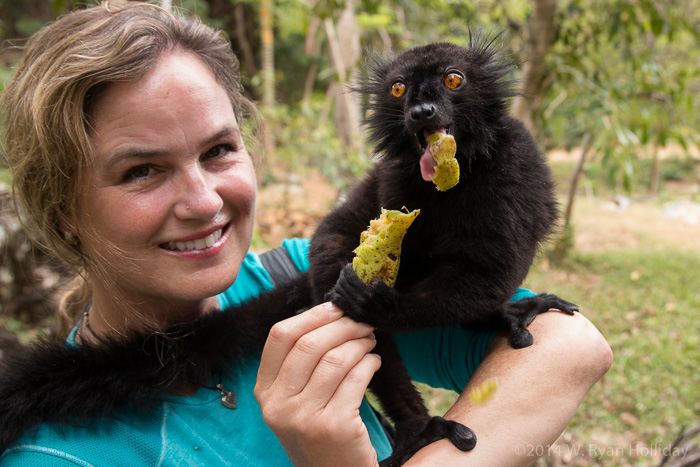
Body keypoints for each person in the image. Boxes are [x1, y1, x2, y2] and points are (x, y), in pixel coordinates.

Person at [0, 2, 612, 465]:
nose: (204, 200)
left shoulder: (301, 275)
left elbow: (571, 347)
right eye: (141, 170)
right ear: (63, 212)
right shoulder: (59, 456)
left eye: (218, 151)